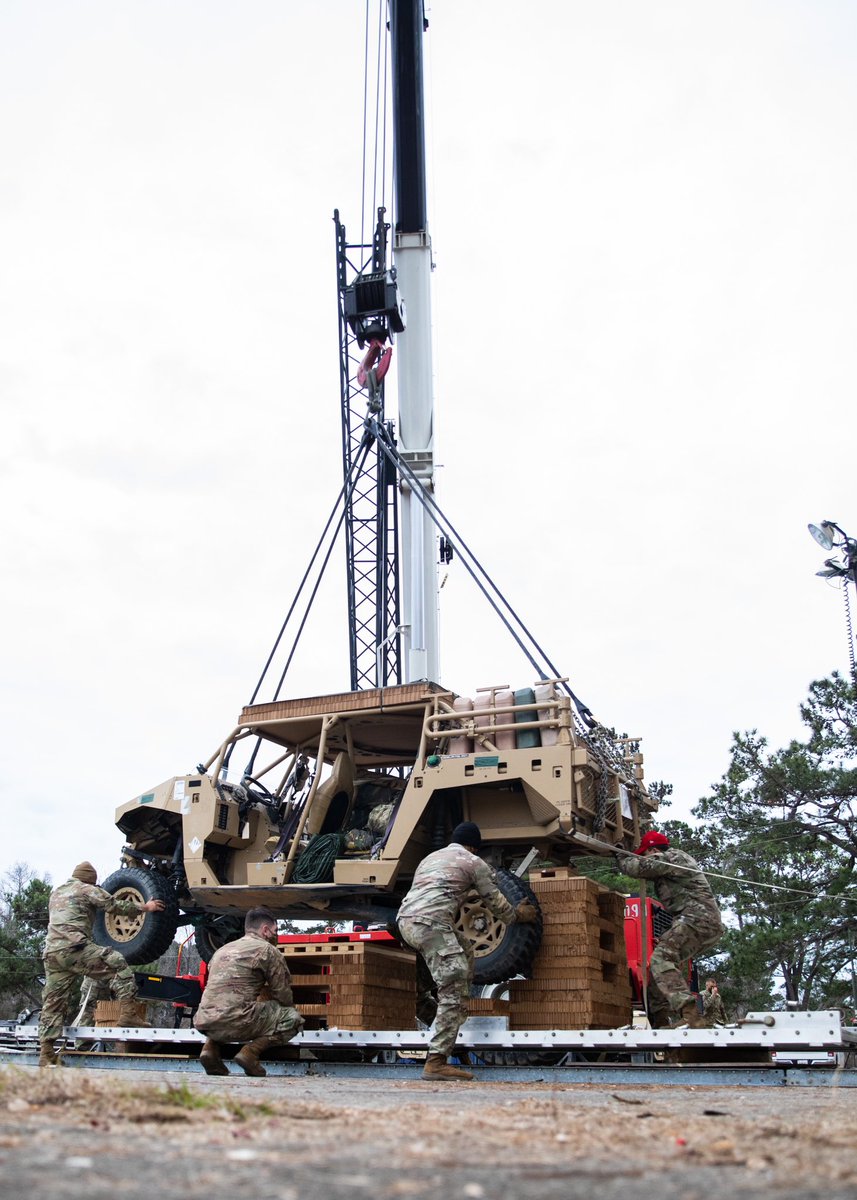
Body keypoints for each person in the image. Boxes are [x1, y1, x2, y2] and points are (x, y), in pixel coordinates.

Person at [397, 821, 539, 1081]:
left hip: (405, 923)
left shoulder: (431, 858)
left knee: (462, 949)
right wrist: (520, 914)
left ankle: (447, 1037)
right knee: (454, 994)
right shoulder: (474, 863)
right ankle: (436, 1061)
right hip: (431, 925)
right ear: (474, 846)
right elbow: (497, 904)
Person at [38, 862, 166, 1067]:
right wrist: (145, 907)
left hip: (52, 954)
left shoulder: (57, 892)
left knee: (53, 1002)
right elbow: (114, 905)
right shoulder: (87, 889)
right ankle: (128, 1014)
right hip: (75, 949)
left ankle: (46, 1053)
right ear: (91, 879)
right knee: (117, 963)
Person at [614, 830, 723, 1029]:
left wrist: (619, 853)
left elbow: (635, 867)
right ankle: (660, 1020)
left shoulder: (672, 858)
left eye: (645, 854)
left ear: (653, 850)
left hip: (696, 919)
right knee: (658, 968)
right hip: (699, 921)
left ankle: (691, 1016)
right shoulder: (673, 860)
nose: (645, 857)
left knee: (660, 959)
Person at [193, 906, 304, 1077]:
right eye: (275, 930)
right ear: (265, 930)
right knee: (292, 1018)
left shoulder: (221, 950)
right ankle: (250, 1053)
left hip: (204, 1021)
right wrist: (284, 1009)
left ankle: (210, 1050)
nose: (276, 934)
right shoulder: (268, 950)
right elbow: (282, 994)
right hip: (237, 1021)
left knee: (226, 1007)